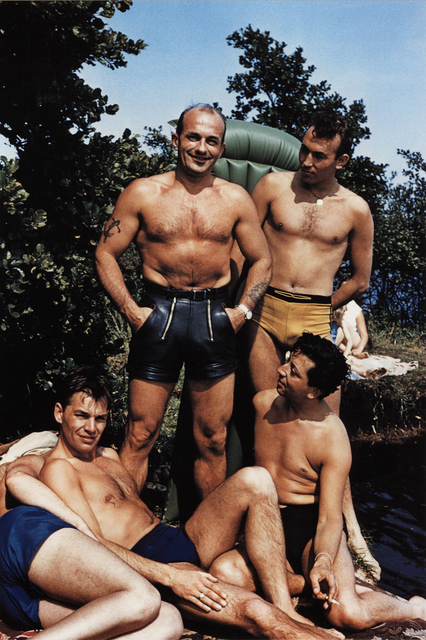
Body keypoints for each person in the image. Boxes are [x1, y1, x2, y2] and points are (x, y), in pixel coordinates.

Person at [5, 366, 343, 640]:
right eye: (81, 416)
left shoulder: (107, 455)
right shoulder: (59, 470)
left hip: (178, 537)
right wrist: (170, 578)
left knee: (256, 480)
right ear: (59, 413)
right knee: (256, 613)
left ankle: (285, 605)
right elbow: (96, 546)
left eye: (101, 418)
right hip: (149, 563)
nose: (91, 428)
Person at [95, 104, 271, 498]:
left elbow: (262, 260)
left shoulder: (235, 199)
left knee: (212, 438)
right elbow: (105, 253)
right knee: (140, 433)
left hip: (214, 317)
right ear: (176, 140)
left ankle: (210, 540)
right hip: (160, 314)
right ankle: (125, 534)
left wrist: (242, 312)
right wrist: (130, 310)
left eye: (211, 140)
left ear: (221, 148)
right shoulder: (143, 192)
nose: (201, 147)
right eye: (193, 137)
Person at [219, 333, 426, 631]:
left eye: (293, 372)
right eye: (289, 362)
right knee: (224, 573)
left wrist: (324, 560)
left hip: (309, 531)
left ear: (314, 391)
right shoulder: (263, 404)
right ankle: (302, 583)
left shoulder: (332, 437)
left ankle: (412, 605)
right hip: (264, 521)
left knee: (348, 616)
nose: (281, 369)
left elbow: (330, 517)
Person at [246, 110, 374, 400]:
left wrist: (324, 308)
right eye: (304, 149)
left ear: (341, 161)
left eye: (318, 156)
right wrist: (240, 305)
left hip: (315, 316)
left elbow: (360, 280)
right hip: (265, 311)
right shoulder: (272, 187)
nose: (306, 161)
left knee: (322, 418)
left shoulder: (356, 209)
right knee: (269, 406)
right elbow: (243, 251)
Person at [0, 463, 183, 638]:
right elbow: (17, 478)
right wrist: (81, 525)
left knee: (168, 619)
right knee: (144, 598)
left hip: (24, 603)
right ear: (60, 428)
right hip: (21, 537)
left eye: (101, 426)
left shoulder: (109, 459)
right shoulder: (43, 450)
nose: (91, 429)